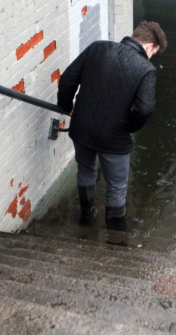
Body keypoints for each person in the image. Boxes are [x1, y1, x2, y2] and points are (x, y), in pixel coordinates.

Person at [57, 21, 167, 231]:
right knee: (116, 186)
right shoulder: (146, 69)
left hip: (82, 128)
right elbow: (144, 109)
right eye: (154, 52)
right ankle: (115, 232)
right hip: (113, 138)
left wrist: (66, 106)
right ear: (149, 46)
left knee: (85, 170)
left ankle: (86, 217)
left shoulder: (97, 48)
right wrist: (129, 126)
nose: (152, 57)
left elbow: (67, 79)